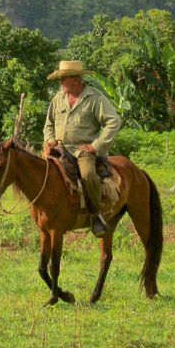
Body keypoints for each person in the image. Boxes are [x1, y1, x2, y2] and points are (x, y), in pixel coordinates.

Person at [41, 60, 123, 235]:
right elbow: (49, 124)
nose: (60, 82)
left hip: (82, 151)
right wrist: (49, 140)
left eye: (64, 78)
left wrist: (96, 146)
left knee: (87, 175)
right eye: (60, 78)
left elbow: (113, 122)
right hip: (60, 148)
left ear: (76, 80)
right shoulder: (58, 99)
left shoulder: (95, 98)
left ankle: (95, 215)